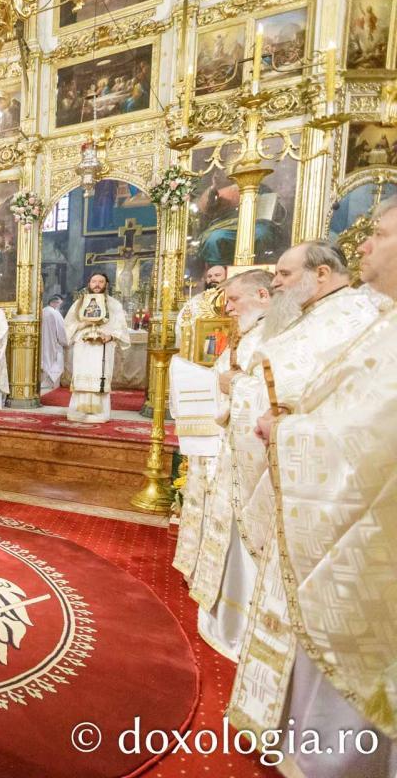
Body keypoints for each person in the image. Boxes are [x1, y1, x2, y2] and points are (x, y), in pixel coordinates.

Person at [240, 206, 397, 776]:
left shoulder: (358, 315)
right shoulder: (373, 319)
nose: (363, 247)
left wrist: (289, 432)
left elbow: (371, 429)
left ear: (318, 275)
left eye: (378, 235)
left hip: (365, 523)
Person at [178, 269, 272, 660]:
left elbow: (276, 395)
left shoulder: (275, 336)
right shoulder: (249, 333)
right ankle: (223, 613)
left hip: (251, 454)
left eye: (233, 300)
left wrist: (234, 386)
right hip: (231, 446)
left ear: (263, 296)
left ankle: (242, 624)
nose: (226, 307)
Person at [62, 273, 130, 422]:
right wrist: (84, 323)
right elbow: (67, 326)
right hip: (83, 346)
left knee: (99, 377)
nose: (97, 284)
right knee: (82, 377)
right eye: (94, 281)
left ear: (106, 284)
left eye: (101, 281)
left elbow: (121, 328)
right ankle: (78, 412)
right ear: (89, 283)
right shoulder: (79, 303)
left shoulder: (114, 304)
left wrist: (110, 336)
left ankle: (99, 414)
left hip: (103, 347)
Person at [175, 264, 227, 349]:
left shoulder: (232, 298)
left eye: (217, 275)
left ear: (227, 277)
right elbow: (182, 322)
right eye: (209, 276)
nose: (213, 278)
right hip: (200, 344)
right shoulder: (196, 301)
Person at [40, 294, 67, 390]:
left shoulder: (42, 311)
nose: (59, 306)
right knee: (55, 361)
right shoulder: (55, 313)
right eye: (59, 304)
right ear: (53, 303)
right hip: (54, 343)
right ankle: (51, 383)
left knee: (44, 360)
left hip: (42, 342)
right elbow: (61, 330)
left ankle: (43, 382)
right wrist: (65, 342)